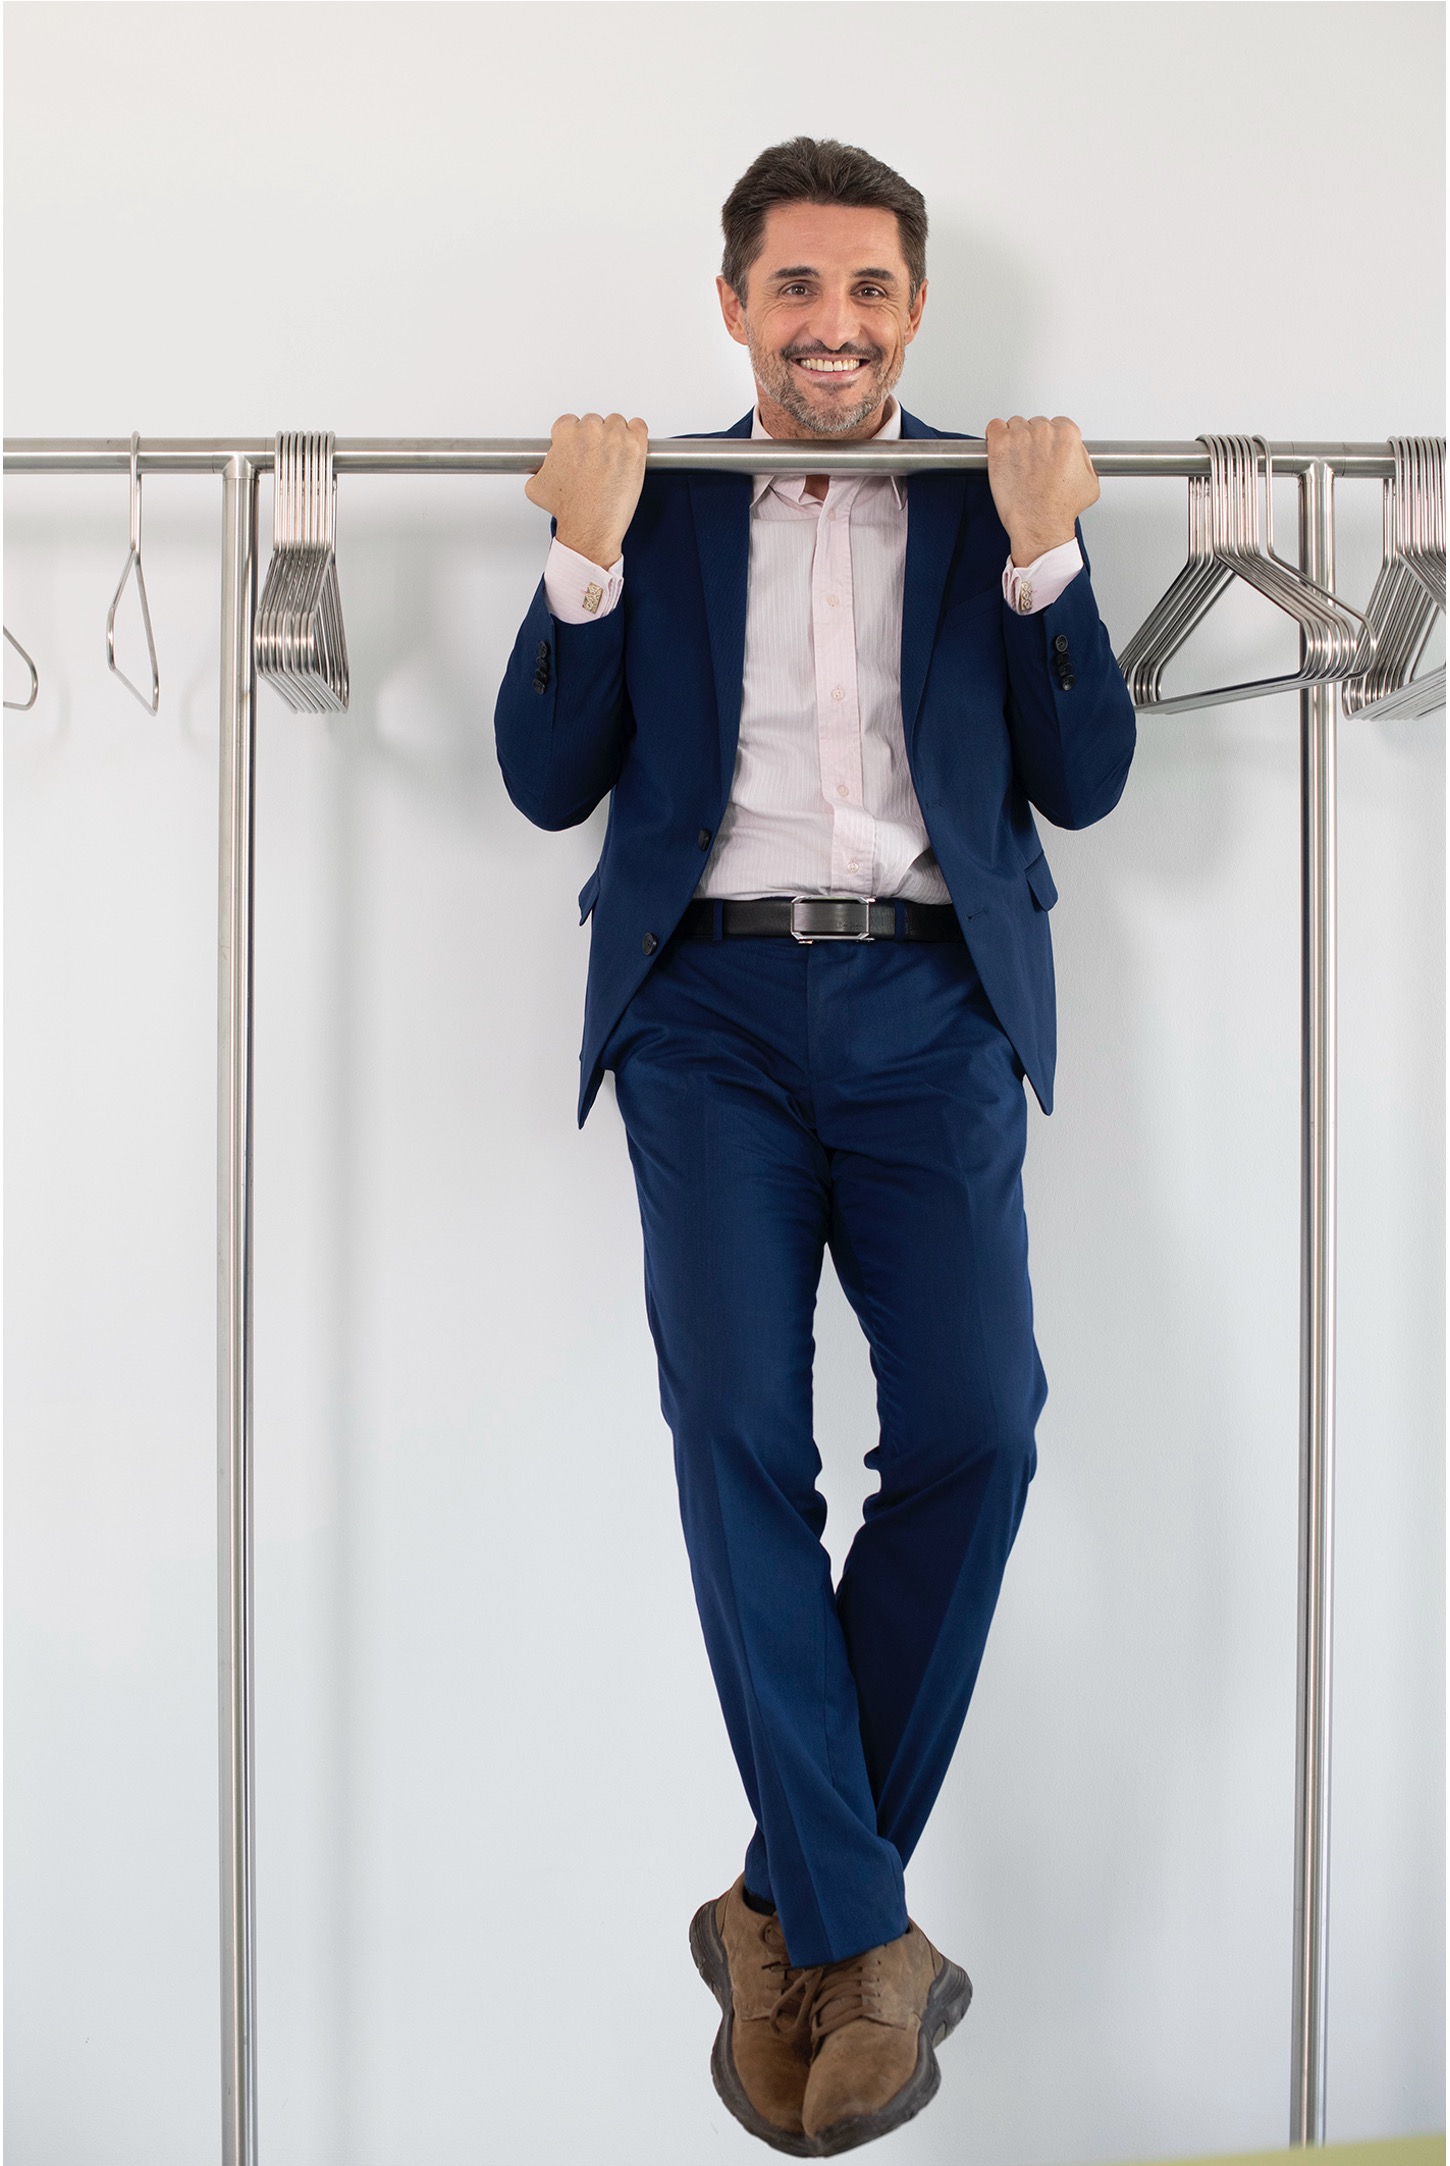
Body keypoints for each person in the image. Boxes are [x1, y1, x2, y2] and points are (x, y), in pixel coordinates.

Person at [494, 136, 1135, 2157]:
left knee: (979, 1431)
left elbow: (1085, 780)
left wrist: (1045, 562)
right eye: (795, 287)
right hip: (706, 1014)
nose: (831, 325)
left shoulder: (986, 498)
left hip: (930, 1007)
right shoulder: (664, 498)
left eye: (866, 290)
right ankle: (863, 1941)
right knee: (737, 1444)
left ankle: (787, 1906)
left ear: (912, 311)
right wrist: (580, 559)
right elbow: (541, 778)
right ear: (734, 307)